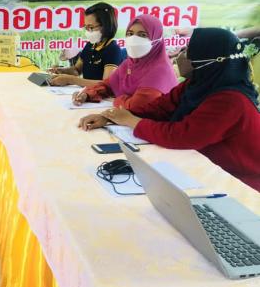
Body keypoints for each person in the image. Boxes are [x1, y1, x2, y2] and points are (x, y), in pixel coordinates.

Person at [79, 28, 260, 191]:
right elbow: (159, 108)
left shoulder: (231, 100)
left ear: (205, 58)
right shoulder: (197, 83)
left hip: (240, 183)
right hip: (203, 166)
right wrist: (111, 117)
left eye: (188, 51)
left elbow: (181, 135)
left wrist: (131, 120)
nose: (181, 55)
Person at [72, 14, 178, 114]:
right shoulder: (129, 63)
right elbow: (108, 84)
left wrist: (119, 99)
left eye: (142, 35)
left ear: (156, 39)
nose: (134, 39)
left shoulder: (160, 70)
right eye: (130, 34)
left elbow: (138, 106)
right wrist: (87, 94)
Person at [49, 2, 124, 87]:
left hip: (102, 95)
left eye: (91, 27)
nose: (88, 31)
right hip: (85, 92)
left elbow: (106, 85)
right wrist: (61, 71)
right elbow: (77, 70)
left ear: (106, 26)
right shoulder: (90, 45)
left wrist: (70, 80)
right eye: (86, 27)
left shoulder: (113, 49)